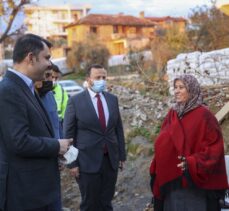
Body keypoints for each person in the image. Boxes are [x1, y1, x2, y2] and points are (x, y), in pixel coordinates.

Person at [0, 33, 72, 211]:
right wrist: (56, 146)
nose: (49, 64)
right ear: (30, 58)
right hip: (26, 195)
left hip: (40, 191)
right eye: (47, 57)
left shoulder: (28, 88)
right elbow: (19, 141)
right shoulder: (9, 90)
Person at [149, 74, 228, 211]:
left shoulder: (204, 115)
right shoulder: (173, 113)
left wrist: (192, 162)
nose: (177, 91)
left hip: (193, 185)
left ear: (191, 90)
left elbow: (215, 148)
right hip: (171, 182)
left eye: (181, 87)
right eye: (175, 87)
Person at [64, 64, 126, 211]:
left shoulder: (112, 99)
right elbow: (68, 134)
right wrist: (72, 163)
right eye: (98, 77)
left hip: (110, 159)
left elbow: (118, 129)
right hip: (86, 162)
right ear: (88, 80)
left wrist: (121, 156)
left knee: (106, 202)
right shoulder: (76, 101)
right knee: (90, 203)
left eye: (104, 77)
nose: (102, 80)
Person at [35, 70, 62, 211]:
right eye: (46, 76)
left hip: (53, 159)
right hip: (36, 163)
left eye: (52, 77)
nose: (50, 80)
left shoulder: (50, 96)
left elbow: (57, 125)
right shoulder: (27, 99)